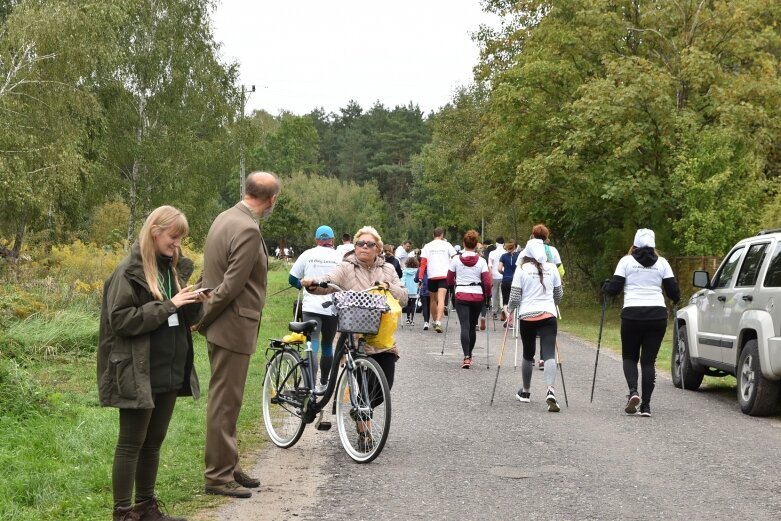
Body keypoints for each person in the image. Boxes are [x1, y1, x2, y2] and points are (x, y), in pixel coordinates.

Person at [98, 206, 208, 521]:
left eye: (180, 239)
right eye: (173, 237)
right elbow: (120, 320)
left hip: (170, 369)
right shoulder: (128, 271)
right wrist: (168, 305)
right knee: (132, 443)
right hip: (137, 369)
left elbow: (182, 319)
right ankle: (123, 513)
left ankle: (146, 508)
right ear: (155, 231)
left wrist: (193, 304)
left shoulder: (172, 269)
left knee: (154, 442)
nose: (177, 244)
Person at [197, 171, 280, 499]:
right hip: (231, 325)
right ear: (271, 199)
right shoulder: (246, 228)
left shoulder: (224, 217)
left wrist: (204, 313)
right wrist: (203, 319)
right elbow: (230, 285)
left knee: (227, 401)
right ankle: (217, 476)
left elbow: (209, 271)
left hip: (224, 324)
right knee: (224, 403)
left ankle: (228, 465)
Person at [301, 226, 408, 444]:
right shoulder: (346, 267)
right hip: (354, 337)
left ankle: (360, 411)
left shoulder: (388, 269)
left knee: (384, 386)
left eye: (369, 244)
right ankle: (364, 434)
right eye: (360, 243)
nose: (364, 248)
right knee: (361, 386)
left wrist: (388, 287)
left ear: (377, 248)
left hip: (382, 338)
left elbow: (404, 297)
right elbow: (329, 279)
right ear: (355, 246)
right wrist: (313, 283)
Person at [602, 228, 680, 417]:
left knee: (629, 356)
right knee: (648, 361)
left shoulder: (626, 261)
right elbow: (674, 293)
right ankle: (646, 406)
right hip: (657, 315)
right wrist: (673, 298)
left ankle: (633, 392)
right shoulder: (662, 263)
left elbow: (613, 290)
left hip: (632, 315)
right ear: (653, 245)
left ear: (634, 245)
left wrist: (604, 286)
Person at [506, 239, 563, 412]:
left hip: (527, 316)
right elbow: (558, 294)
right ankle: (550, 390)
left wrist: (509, 310)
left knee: (528, 354)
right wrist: (551, 304)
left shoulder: (522, 269)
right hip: (548, 315)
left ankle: (526, 392)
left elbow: (515, 296)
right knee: (549, 353)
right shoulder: (552, 268)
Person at [288, 225, 342, 391]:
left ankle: (310, 384)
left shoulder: (308, 254)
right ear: (332, 240)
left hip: (311, 307)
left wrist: (303, 286)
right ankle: (324, 383)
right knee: (327, 345)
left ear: (316, 240)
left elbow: (292, 279)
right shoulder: (339, 256)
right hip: (332, 308)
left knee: (313, 344)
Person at [447, 230, 492, 368]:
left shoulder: (455, 260)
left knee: (464, 327)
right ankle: (470, 355)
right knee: (472, 327)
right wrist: (488, 296)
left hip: (461, 294)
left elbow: (449, 279)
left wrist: (451, 291)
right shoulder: (482, 261)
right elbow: (487, 281)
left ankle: (466, 356)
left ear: (463, 243)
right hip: (477, 296)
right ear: (476, 245)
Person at [417, 227, 456, 333]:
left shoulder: (427, 246)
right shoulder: (447, 245)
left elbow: (423, 263)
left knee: (433, 300)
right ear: (442, 235)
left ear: (433, 235)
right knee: (442, 299)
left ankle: (434, 321)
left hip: (431, 276)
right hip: (444, 275)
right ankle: (439, 321)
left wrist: (420, 277)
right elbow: (455, 257)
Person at [497, 240, 519, 322]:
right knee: (513, 301)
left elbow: (499, 269)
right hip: (515, 281)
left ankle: (507, 315)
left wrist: (504, 273)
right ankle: (512, 318)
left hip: (505, 280)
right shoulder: (519, 256)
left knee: (505, 301)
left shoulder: (503, 256)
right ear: (516, 247)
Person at [487, 236, 505, 318]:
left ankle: (494, 310)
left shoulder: (492, 253)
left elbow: (490, 265)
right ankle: (502, 309)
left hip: (494, 275)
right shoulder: (506, 253)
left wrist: (490, 275)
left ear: (496, 243)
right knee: (502, 294)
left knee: (494, 293)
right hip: (503, 275)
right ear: (503, 243)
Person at [401, 256, 420, 326]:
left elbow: (403, 280)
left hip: (407, 289)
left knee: (408, 304)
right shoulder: (417, 271)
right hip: (415, 289)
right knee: (413, 304)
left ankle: (408, 318)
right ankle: (412, 319)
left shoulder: (405, 271)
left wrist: (402, 286)